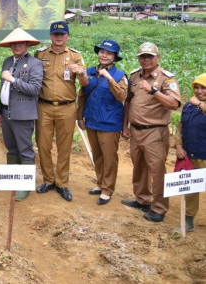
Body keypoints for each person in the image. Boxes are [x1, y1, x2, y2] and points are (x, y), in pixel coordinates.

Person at [122, 42, 181, 223]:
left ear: (158, 58)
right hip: (136, 130)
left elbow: (174, 104)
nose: (146, 60)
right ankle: (142, 199)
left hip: (155, 131)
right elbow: (128, 102)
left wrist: (154, 90)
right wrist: (125, 126)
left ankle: (159, 208)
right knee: (139, 167)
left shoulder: (166, 79)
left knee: (157, 171)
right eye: (142, 56)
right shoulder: (134, 76)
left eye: (149, 56)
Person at [34, 21, 88, 202]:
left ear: (67, 36)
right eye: (55, 34)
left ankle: (62, 183)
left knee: (64, 146)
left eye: (62, 34)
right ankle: (48, 180)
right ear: (50, 36)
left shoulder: (75, 56)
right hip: (44, 107)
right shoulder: (40, 54)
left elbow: (85, 83)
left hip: (67, 108)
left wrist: (80, 72)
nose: (59, 37)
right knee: (43, 145)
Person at [76, 40, 128, 205]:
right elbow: (82, 95)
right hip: (91, 121)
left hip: (109, 123)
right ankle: (100, 183)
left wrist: (109, 78)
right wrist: (80, 117)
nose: (104, 55)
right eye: (102, 52)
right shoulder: (89, 72)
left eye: (109, 53)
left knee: (109, 157)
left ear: (114, 57)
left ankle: (107, 189)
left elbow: (122, 96)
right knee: (97, 155)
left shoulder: (120, 76)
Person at [0, 28, 43, 201]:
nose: (17, 45)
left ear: (27, 44)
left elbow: (35, 89)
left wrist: (14, 80)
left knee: (25, 150)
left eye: (20, 43)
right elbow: (3, 89)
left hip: (23, 114)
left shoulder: (34, 64)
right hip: (7, 113)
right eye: (14, 43)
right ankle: (13, 182)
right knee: (11, 147)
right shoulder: (7, 61)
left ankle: (25, 186)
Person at [174, 73, 206, 234]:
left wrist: (200, 104)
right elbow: (180, 128)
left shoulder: (198, 104)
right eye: (197, 88)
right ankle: (188, 221)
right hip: (190, 155)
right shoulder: (188, 106)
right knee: (191, 189)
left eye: (203, 88)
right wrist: (178, 146)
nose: (200, 91)